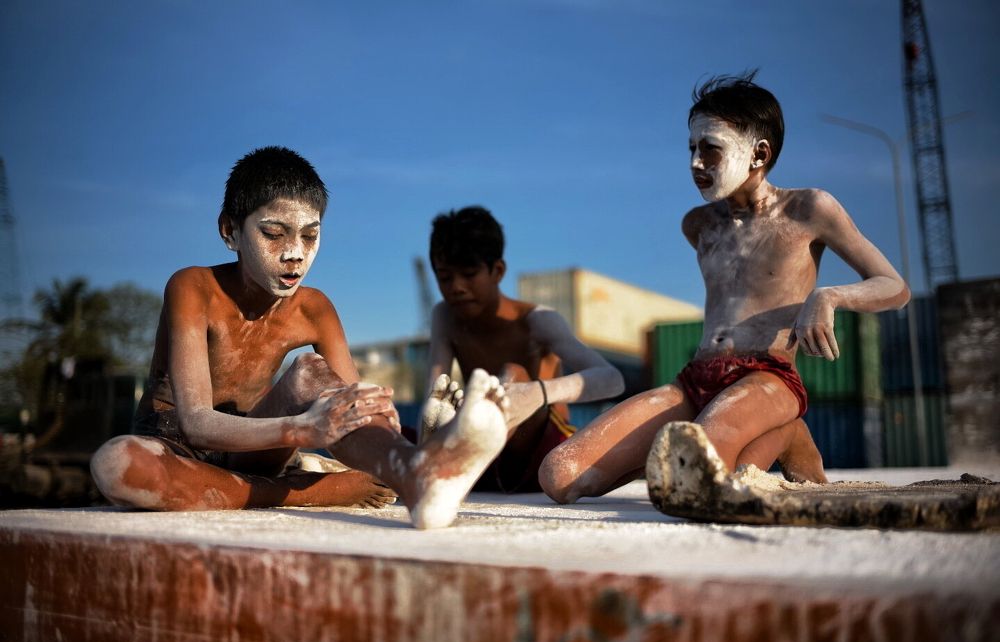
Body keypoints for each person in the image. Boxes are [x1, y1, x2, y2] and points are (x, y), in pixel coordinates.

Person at [90, 146, 509, 529]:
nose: (296, 253)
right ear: (230, 231)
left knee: (310, 373)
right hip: (175, 448)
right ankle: (312, 489)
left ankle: (416, 469)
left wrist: (387, 431)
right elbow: (196, 422)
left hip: (256, 449)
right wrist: (302, 431)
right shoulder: (192, 288)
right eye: (274, 234)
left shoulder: (314, 308)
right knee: (116, 464)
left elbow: (352, 402)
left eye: (310, 235)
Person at [539, 72, 910, 503]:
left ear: (759, 153)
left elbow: (894, 286)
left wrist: (828, 296)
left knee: (693, 477)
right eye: (692, 149)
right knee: (559, 474)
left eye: (711, 149)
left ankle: (786, 433)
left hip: (767, 378)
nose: (696, 162)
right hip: (695, 379)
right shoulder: (698, 226)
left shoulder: (809, 209)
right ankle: (696, 452)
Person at [423, 206, 624, 492]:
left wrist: (539, 393)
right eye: (445, 277)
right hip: (484, 454)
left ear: (498, 270)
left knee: (514, 373)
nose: (457, 287)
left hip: (540, 453)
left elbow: (612, 379)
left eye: (469, 274)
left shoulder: (537, 320)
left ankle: (444, 470)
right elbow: (435, 391)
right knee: (388, 430)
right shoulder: (445, 316)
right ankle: (438, 459)